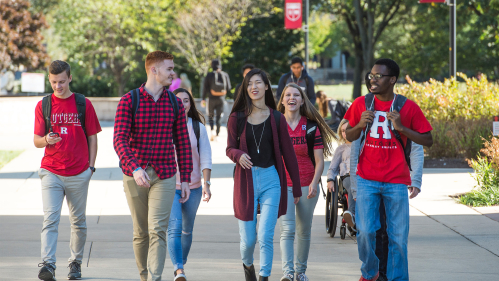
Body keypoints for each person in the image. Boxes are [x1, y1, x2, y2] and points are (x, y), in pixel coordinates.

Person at [344, 58, 433, 281]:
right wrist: (360, 124)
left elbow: (428, 140)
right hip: (367, 179)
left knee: (398, 237)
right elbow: (349, 135)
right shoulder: (361, 103)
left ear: (392, 80)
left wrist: (402, 128)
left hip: (396, 181)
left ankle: (397, 278)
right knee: (365, 232)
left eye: (378, 76)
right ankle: (370, 272)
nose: (372, 80)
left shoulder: (407, 106)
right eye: (371, 75)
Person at [113, 51, 193, 281]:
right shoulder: (130, 100)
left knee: (158, 230)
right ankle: (144, 275)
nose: (173, 73)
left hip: (165, 174)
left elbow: (182, 143)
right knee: (141, 233)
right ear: (153, 70)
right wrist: (135, 168)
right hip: (134, 173)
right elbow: (119, 138)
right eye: (169, 69)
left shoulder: (175, 103)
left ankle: (154, 278)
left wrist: (184, 177)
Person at [226, 69, 302, 281]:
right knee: (248, 240)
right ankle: (248, 265)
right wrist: (238, 154)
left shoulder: (277, 118)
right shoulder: (237, 117)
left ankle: (264, 276)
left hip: (271, 180)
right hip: (246, 182)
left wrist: (295, 187)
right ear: (245, 88)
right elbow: (229, 148)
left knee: (266, 236)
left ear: (266, 86)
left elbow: (289, 155)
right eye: (250, 83)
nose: (254, 87)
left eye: (258, 83)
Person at [34, 60, 102, 281]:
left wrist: (90, 168)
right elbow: (36, 141)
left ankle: (75, 263)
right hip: (51, 171)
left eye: (62, 81)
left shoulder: (83, 104)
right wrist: (46, 139)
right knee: (50, 219)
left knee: (78, 221)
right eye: (53, 82)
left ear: (70, 78)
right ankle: (48, 265)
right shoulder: (43, 105)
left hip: (78, 172)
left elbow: (93, 137)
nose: (58, 86)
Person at [276, 83, 336, 281]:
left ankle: (300, 272)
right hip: (284, 186)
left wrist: (314, 182)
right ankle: (287, 273)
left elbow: (319, 161)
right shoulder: (275, 125)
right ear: (282, 100)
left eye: (296, 95)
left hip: (307, 185)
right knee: (288, 229)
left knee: (303, 230)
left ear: (302, 100)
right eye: (288, 95)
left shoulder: (310, 127)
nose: (291, 98)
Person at [167, 88, 212, 281]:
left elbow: (206, 158)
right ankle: (179, 269)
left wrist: (207, 184)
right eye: (178, 101)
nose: (182, 104)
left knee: (186, 230)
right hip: (169, 186)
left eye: (186, 101)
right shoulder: (164, 126)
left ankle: (181, 263)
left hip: (193, 187)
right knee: (174, 228)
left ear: (190, 104)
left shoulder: (197, 127)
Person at [326, 119, 355, 231]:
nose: (345, 133)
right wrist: (330, 180)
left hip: (362, 176)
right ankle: (352, 215)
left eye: (347, 129)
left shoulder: (363, 145)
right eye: (342, 131)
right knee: (354, 186)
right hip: (347, 177)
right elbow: (332, 168)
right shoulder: (341, 149)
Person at [201, 59, 232, 141]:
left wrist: (203, 99)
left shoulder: (209, 75)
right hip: (221, 99)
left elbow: (205, 88)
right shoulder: (225, 75)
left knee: (210, 115)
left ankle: (212, 131)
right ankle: (217, 134)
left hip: (211, 99)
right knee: (219, 116)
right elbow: (229, 88)